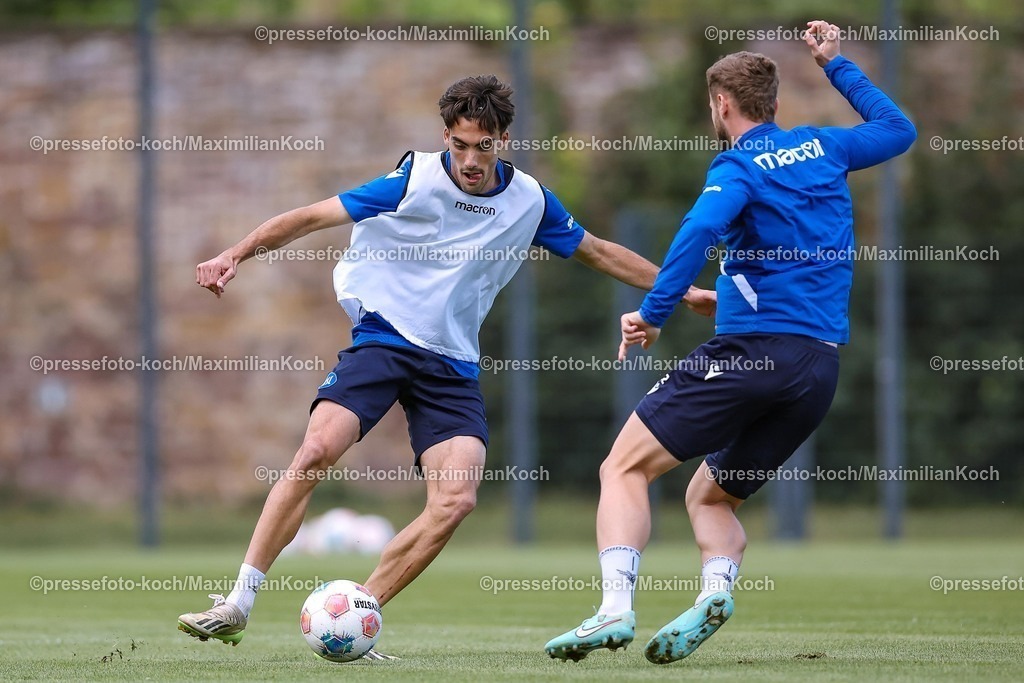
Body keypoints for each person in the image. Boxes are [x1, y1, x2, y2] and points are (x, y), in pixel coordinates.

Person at [177, 74, 716, 653]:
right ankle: (238, 601)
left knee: (456, 501)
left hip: (452, 362)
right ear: (445, 138)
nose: (470, 160)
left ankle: (357, 616)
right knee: (315, 451)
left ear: (503, 139)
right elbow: (310, 216)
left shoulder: (530, 201)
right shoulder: (415, 179)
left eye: (483, 146)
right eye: (459, 145)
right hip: (384, 337)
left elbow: (598, 251)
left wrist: (680, 292)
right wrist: (235, 253)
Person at [545, 21, 916, 665]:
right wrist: (836, 64)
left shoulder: (738, 166)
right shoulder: (825, 148)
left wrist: (654, 311)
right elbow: (898, 130)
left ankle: (612, 611)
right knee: (710, 495)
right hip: (816, 368)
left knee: (622, 468)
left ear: (722, 103)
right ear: (774, 102)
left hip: (750, 357)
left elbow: (697, 231)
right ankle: (715, 593)